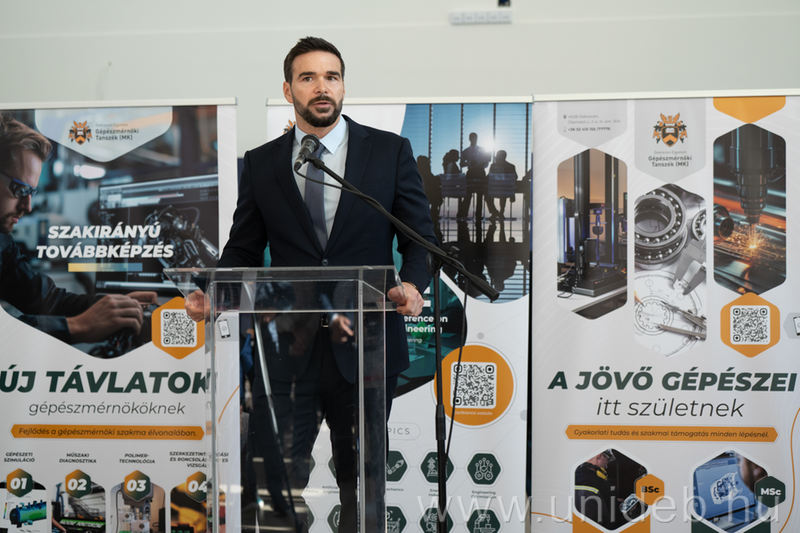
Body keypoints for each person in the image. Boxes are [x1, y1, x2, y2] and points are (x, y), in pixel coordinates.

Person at [185, 37, 437, 532]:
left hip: (366, 348)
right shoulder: (262, 163)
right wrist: (215, 294)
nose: (322, 87)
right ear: (288, 90)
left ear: (342, 85)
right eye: (308, 77)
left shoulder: (388, 152)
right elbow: (243, 249)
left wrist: (411, 283)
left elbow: (420, 239)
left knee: (361, 483)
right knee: (274, 484)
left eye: (332, 77)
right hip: (286, 350)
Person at [0, 115, 156, 344]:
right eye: (20, 190)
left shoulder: (2, 243)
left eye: (31, 193)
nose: (28, 206)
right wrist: (77, 326)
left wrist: (112, 305)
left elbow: (46, 299)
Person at [575, 450, 616, 528]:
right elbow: (613, 521)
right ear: (599, 455)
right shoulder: (604, 486)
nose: (606, 466)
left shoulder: (569, 480)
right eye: (607, 460)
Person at [458, 132, 492, 219]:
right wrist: (470, 163)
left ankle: (477, 214)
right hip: (472, 172)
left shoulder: (482, 150)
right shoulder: (465, 151)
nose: (474, 140)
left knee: (479, 194)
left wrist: (481, 164)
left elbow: (486, 163)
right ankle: (465, 213)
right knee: (469, 194)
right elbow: (461, 164)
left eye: (475, 138)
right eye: (472, 138)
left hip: (479, 172)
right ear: (469, 139)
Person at [487, 149, 517, 218]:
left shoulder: (493, 166)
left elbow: (489, 177)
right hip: (507, 190)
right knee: (503, 194)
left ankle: (494, 212)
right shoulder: (511, 166)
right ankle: (501, 212)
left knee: (487, 195)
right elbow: (515, 177)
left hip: (494, 189)